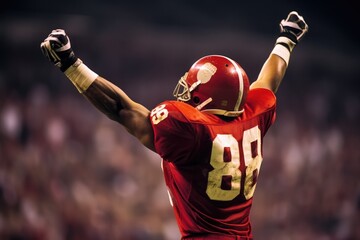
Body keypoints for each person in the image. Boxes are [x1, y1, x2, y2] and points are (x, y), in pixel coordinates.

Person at [40, 11, 308, 240]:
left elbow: (122, 110)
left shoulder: (191, 130)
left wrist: (70, 64)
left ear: (209, 99)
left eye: (193, 91)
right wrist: (287, 39)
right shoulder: (253, 116)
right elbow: (269, 80)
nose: (186, 95)